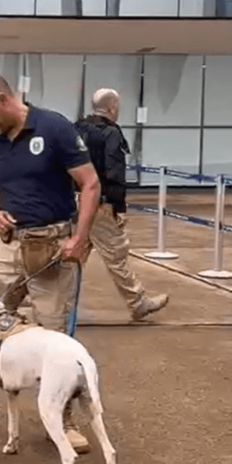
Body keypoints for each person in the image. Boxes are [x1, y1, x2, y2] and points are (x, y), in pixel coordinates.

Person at [0, 72, 102, 454]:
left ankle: (61, 420)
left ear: (2, 98)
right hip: (5, 250)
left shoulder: (54, 128)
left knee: (54, 339)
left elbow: (91, 183)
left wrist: (79, 239)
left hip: (51, 249)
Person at [75, 88, 169, 321]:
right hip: (99, 204)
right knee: (116, 255)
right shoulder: (110, 134)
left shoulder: (76, 129)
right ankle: (137, 302)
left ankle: (51, 299)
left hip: (74, 201)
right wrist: (118, 207)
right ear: (112, 107)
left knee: (73, 255)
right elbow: (114, 174)